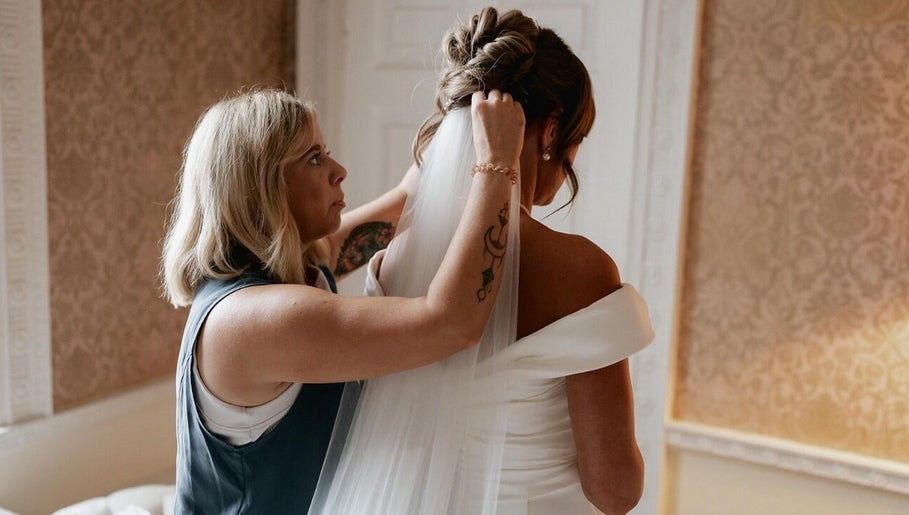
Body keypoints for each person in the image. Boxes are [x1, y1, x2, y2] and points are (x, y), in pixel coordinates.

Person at [309, 7, 655, 515]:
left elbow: (318, 260)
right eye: (577, 140)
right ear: (551, 131)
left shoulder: (395, 256)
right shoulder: (582, 273)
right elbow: (614, 490)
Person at [160, 87, 525, 513]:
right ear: (262, 188)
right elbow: (452, 323)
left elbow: (405, 203)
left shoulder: (301, 265)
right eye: (314, 159)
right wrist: (497, 163)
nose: (340, 171)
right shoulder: (253, 321)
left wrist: (462, 101)